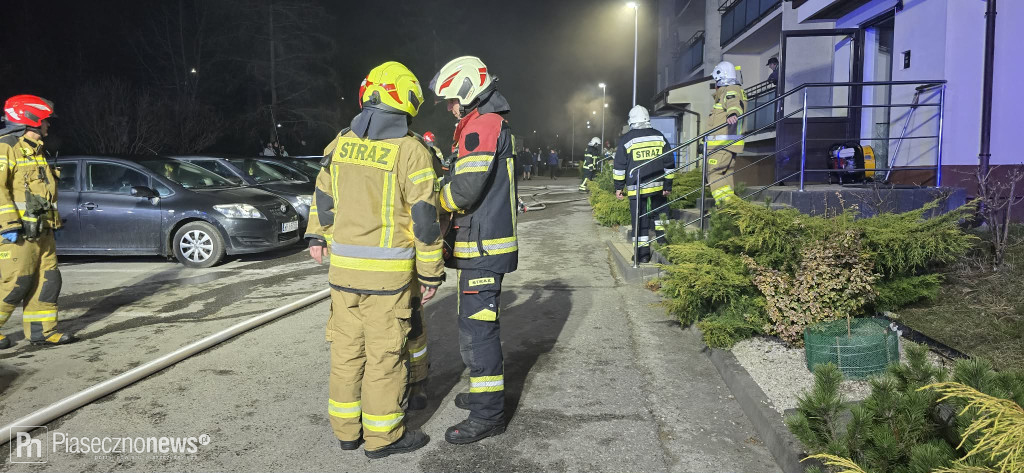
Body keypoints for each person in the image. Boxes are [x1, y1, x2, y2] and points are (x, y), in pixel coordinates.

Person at [304, 61, 444, 459]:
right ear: (405, 97)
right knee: (385, 358)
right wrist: (431, 272)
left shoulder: (340, 142)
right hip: (388, 280)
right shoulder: (411, 150)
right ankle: (384, 438)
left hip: (343, 275)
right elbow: (425, 221)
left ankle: (346, 432)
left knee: (347, 354)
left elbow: (323, 199)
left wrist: (319, 236)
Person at [429, 55, 518, 444]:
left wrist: (432, 199)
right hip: (483, 245)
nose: (450, 107)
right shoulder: (488, 122)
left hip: (483, 249)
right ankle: (485, 395)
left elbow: (464, 190)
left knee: (478, 331)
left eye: (451, 99)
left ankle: (489, 414)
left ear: (467, 90)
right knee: (474, 326)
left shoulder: (482, 126)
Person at [0, 95, 74, 348]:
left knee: (48, 281)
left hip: (42, 231)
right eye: (45, 120)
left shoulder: (37, 151)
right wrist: (9, 224)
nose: (48, 125)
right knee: (17, 284)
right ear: (30, 119)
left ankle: (42, 332)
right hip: (17, 234)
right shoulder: (6, 147)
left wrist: (52, 223)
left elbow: (41, 192)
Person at [613, 105, 674, 264]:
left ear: (631, 121)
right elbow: (669, 162)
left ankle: (642, 255)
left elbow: (619, 166)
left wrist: (619, 187)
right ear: (647, 119)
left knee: (639, 221)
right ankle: (665, 245)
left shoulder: (627, 139)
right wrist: (668, 185)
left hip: (636, 189)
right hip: (659, 188)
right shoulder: (659, 136)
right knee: (662, 218)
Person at [706, 61, 748, 204]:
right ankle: (731, 207)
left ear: (721, 77)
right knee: (726, 175)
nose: (715, 84)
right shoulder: (733, 89)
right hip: (728, 145)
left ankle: (725, 207)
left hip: (722, 145)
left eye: (716, 80)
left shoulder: (730, 90)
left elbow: (733, 103)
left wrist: (732, 114)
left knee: (714, 173)